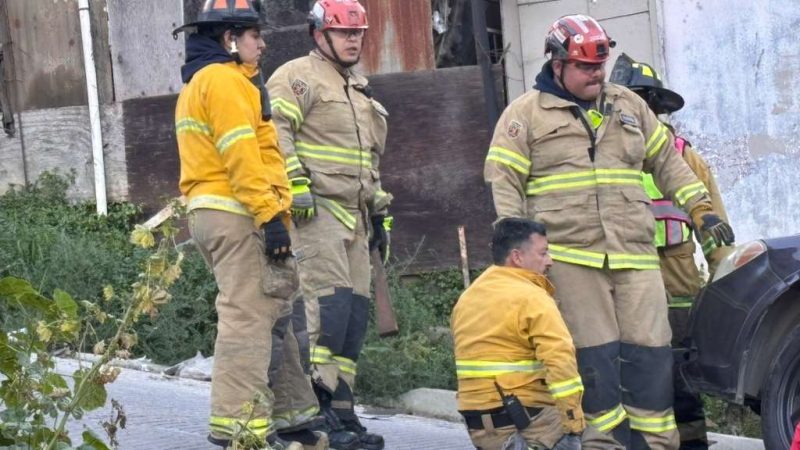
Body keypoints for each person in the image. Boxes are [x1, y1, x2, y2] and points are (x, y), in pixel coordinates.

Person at [483, 14, 734, 450]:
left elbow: (669, 163)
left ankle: (656, 444)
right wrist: (517, 255)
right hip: (570, 259)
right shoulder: (525, 115)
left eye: (599, 65)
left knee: (651, 356)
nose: (596, 74)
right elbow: (504, 181)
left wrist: (702, 211)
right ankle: (603, 444)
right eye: (585, 66)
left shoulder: (629, 106)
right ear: (557, 64)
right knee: (593, 359)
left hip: (635, 255)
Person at [173, 1, 322, 448]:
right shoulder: (223, 80)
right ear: (229, 39)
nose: (263, 43)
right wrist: (269, 216)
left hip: (219, 212)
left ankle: (291, 417)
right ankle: (239, 429)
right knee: (249, 320)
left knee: (276, 312)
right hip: (239, 214)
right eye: (255, 34)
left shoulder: (205, 82)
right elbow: (241, 155)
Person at [266, 1, 391, 449]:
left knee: (353, 318)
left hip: (355, 218)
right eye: (344, 32)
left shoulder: (358, 86)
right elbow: (275, 130)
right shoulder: (296, 76)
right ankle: (316, 411)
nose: (354, 40)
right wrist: (295, 183)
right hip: (315, 213)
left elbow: (368, 159)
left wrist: (379, 212)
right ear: (319, 34)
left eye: (358, 32)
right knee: (327, 313)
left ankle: (342, 410)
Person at [610, 55, 735, 450]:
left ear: (651, 104)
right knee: (629, 371)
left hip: (677, 288)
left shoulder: (683, 156)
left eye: (635, 99)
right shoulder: (607, 155)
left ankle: (692, 443)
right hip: (624, 282)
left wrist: (724, 285)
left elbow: (713, 227)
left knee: (680, 373)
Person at [452, 218, 621, 450]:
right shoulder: (532, 297)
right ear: (517, 257)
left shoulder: (467, 298)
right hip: (524, 420)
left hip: (479, 427)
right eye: (543, 253)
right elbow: (560, 363)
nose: (550, 261)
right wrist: (573, 425)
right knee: (601, 443)